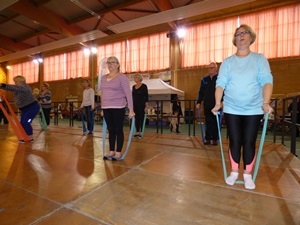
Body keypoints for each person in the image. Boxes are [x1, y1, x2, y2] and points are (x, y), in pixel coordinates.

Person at [211, 24, 273, 190]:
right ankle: (234, 171)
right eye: (238, 34)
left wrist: (266, 102)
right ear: (235, 40)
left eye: (245, 33)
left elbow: (267, 81)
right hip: (232, 108)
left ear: (251, 37)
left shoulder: (259, 59)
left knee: (249, 141)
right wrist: (218, 103)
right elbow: (220, 83)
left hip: (253, 109)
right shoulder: (228, 62)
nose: (242, 35)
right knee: (235, 141)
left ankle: (247, 174)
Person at [100, 56, 135, 159]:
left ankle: (118, 152)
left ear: (118, 65)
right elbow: (103, 93)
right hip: (106, 107)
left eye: (113, 62)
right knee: (110, 130)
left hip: (118, 107)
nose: (110, 64)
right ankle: (111, 151)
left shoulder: (122, 77)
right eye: (108, 62)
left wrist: (131, 109)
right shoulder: (103, 78)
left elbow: (128, 94)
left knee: (118, 129)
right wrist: (102, 108)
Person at [0, 75, 40, 142]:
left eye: (16, 81)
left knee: (26, 122)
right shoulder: (18, 89)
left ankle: (30, 137)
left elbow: (14, 88)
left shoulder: (25, 87)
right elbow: (11, 88)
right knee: (22, 123)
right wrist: (2, 86)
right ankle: (25, 136)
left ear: (21, 81)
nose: (15, 83)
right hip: (24, 109)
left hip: (32, 108)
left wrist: (3, 85)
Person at [196, 62, 219, 145]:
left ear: (216, 69)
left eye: (212, 68)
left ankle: (215, 139)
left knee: (215, 122)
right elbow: (201, 92)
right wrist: (199, 102)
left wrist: (222, 102)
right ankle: (208, 138)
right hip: (207, 105)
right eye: (209, 68)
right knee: (208, 122)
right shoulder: (204, 80)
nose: (211, 69)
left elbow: (224, 91)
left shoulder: (220, 78)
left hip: (216, 105)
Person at [132, 73, 148, 138]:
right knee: (136, 118)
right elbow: (133, 96)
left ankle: (141, 132)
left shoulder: (144, 86)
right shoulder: (133, 87)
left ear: (139, 78)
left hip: (141, 104)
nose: (135, 79)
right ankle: (137, 132)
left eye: (136, 77)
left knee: (141, 117)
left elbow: (146, 96)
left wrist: (146, 106)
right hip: (135, 104)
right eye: (134, 77)